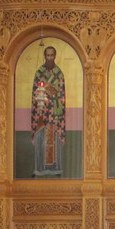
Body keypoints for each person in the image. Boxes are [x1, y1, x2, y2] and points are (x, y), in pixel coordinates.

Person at [31, 45, 66, 176]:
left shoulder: (59, 73)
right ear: (45, 56)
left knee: (54, 140)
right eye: (47, 55)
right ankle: (39, 169)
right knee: (41, 140)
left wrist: (48, 89)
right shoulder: (39, 72)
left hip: (54, 112)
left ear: (55, 56)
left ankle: (55, 169)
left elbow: (61, 94)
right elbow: (35, 91)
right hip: (41, 112)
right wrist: (41, 94)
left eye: (52, 55)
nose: (49, 58)